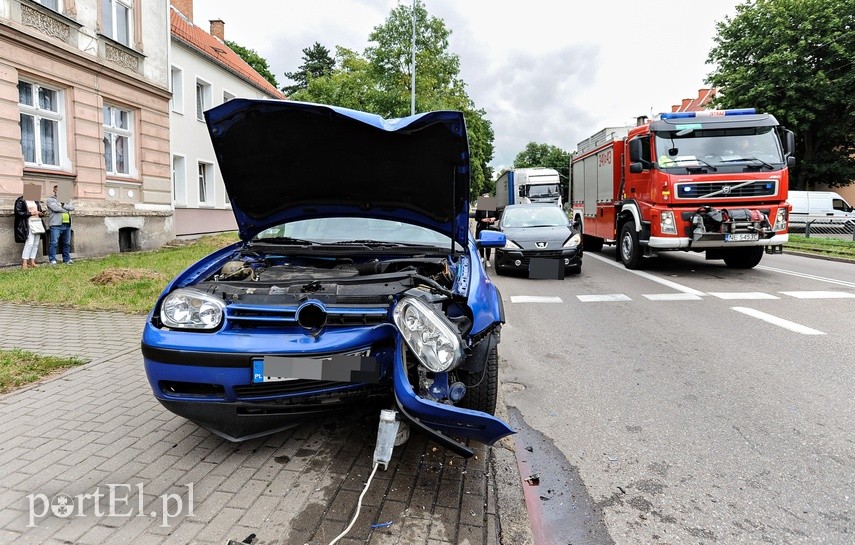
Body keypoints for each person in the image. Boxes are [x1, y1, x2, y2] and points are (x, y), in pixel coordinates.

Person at [13, 195, 46, 269]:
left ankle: (32, 261)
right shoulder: (21, 200)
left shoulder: (35, 200)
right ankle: (24, 262)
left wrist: (41, 213)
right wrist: (30, 214)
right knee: (29, 242)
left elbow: (39, 210)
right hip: (27, 223)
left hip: (37, 222)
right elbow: (18, 212)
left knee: (36, 243)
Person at [46, 184, 75, 265]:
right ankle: (52, 260)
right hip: (56, 225)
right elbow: (55, 208)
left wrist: (63, 205)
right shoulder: (50, 200)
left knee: (67, 243)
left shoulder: (66, 199)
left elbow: (72, 207)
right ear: (54, 191)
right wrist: (65, 208)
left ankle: (67, 259)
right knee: (54, 243)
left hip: (67, 225)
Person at [474, 194, 497, 267]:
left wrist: (494, 218)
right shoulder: (480, 208)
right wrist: (482, 219)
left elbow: (497, 216)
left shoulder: (493, 207)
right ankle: (482, 257)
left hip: (490, 227)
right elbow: (476, 218)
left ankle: (488, 260)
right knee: (481, 242)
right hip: (481, 227)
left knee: (488, 243)